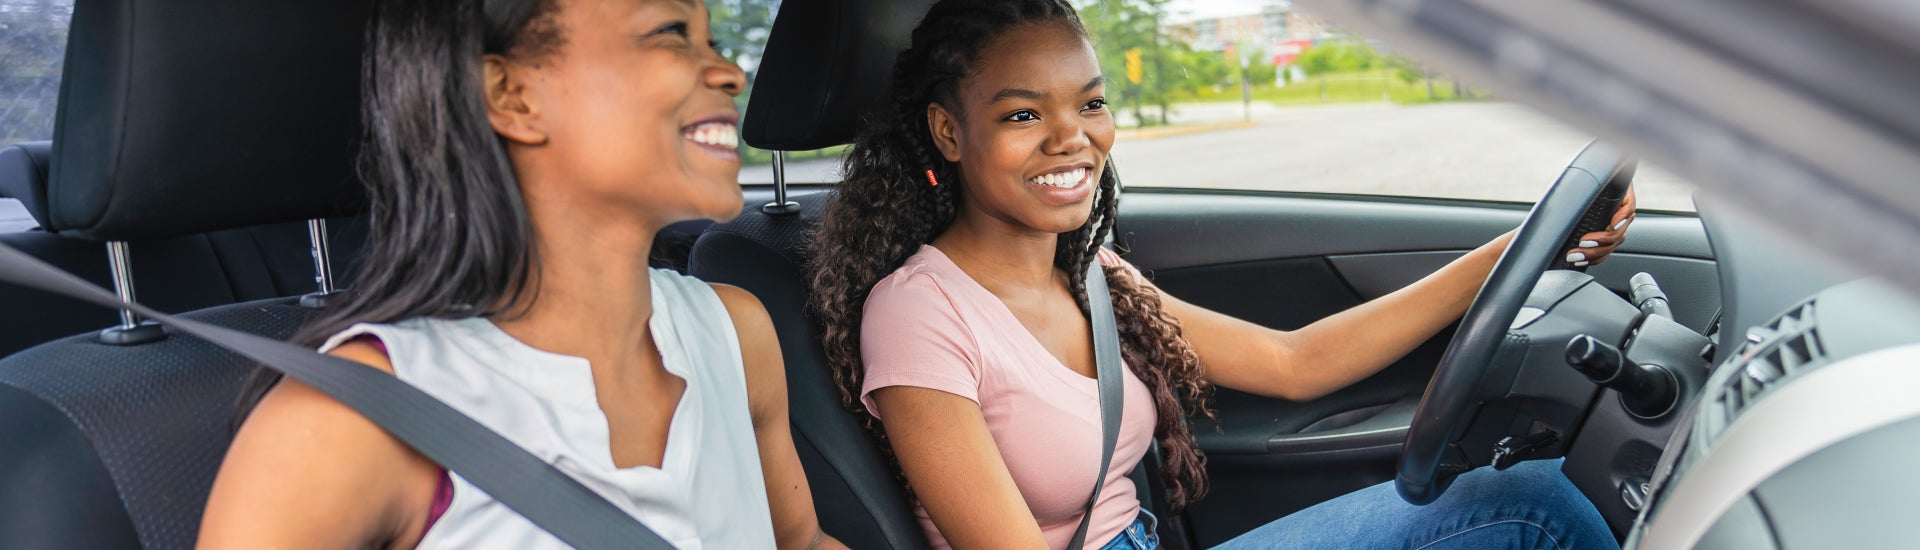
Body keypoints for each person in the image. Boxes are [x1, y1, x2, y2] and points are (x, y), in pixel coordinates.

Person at [807, 1, 1630, 548]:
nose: (1072, 138)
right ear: (949, 132)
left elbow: (1296, 362)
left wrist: (1518, 250)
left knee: (1531, 499)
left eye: (1089, 104)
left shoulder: (1090, 270)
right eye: (1023, 113)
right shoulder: (918, 314)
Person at [198, 0, 845, 548]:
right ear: (512, 96)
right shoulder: (348, 419)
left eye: (714, 42)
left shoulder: (733, 332)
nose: (731, 73)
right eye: (671, 32)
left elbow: (803, 542)